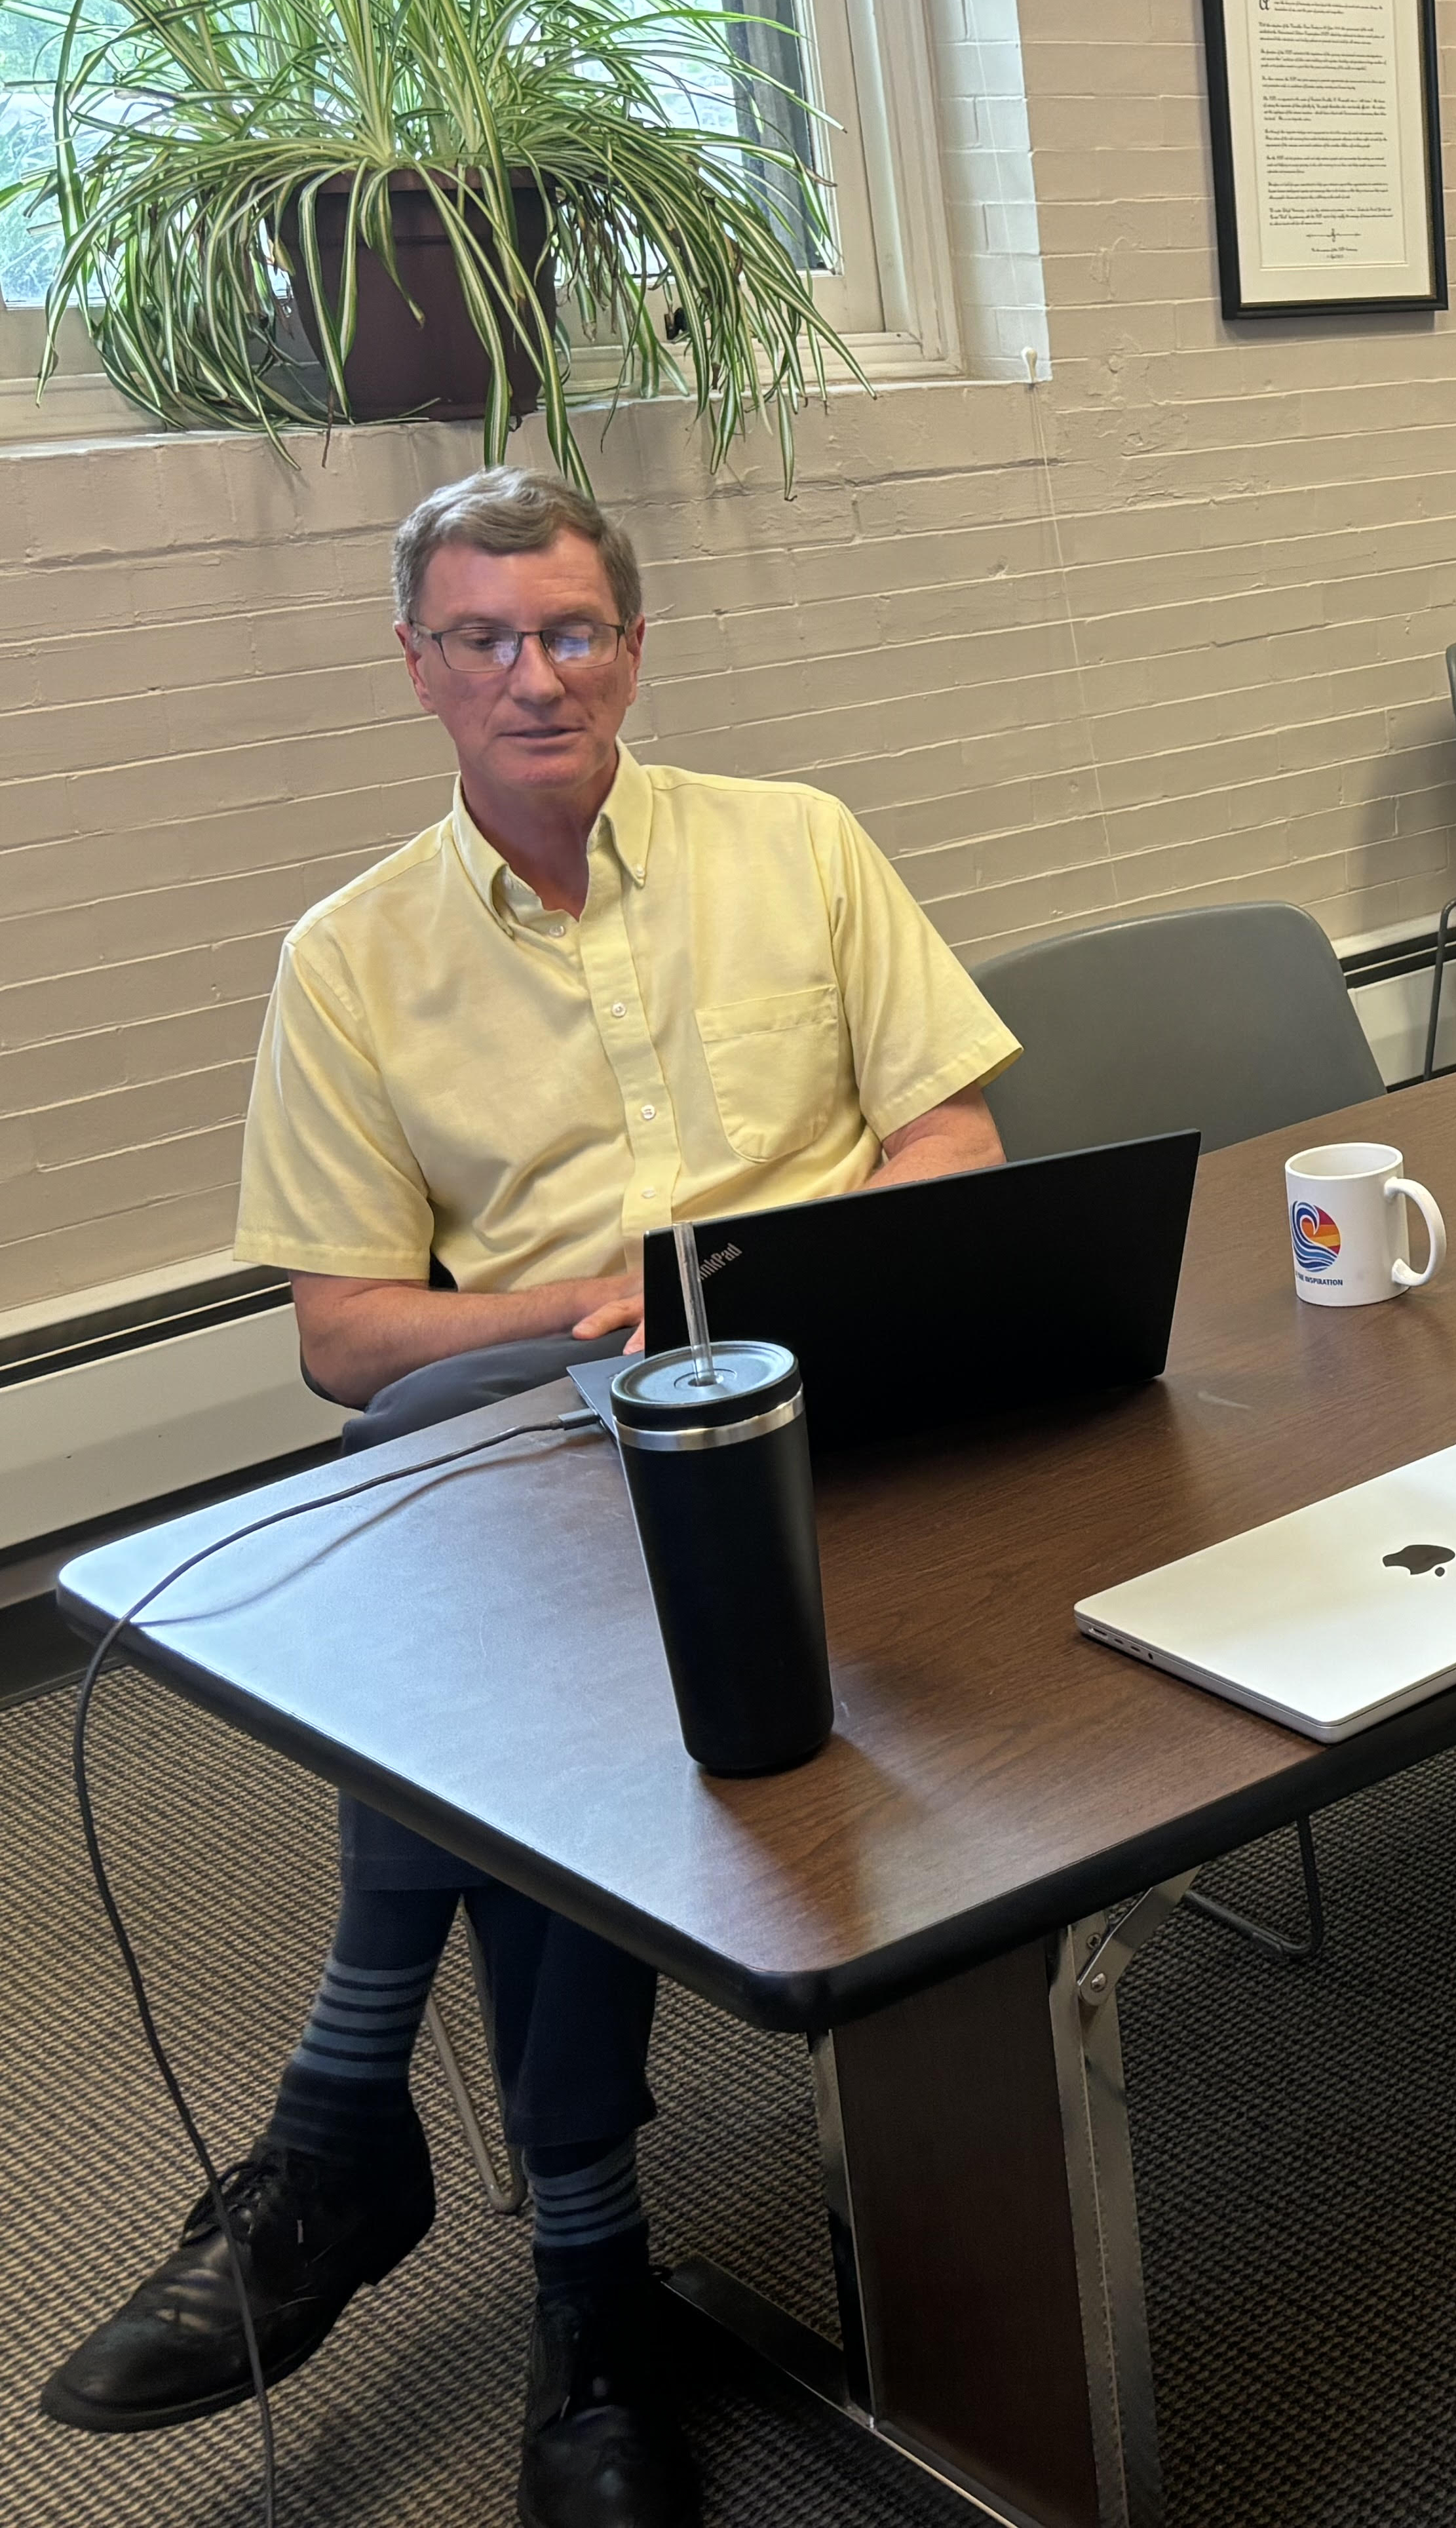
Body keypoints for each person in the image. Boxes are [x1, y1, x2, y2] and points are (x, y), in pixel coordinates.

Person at [37, 469, 1020, 2526]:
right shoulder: (351, 960)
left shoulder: (797, 849)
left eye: (570, 630)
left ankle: (353, 2132)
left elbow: (956, 1131)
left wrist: (793, 1272)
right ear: (418, 671)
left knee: (498, 1618)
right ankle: (585, 2278)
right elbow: (341, 1333)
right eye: (481, 639)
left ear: (634, 649)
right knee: (481, 1540)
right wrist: (577, 1309)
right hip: (548, 1427)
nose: (533, 674)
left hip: (829, 1398)